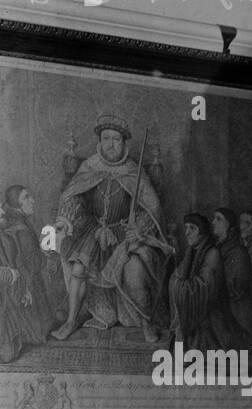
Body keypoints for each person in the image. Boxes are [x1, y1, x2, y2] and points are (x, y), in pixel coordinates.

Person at [50, 115, 170, 343]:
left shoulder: (133, 171)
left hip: (126, 234)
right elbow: (75, 199)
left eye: (116, 139)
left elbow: (151, 209)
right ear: (100, 141)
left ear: (125, 143)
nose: (111, 144)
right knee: (78, 267)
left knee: (135, 271)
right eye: (106, 138)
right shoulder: (89, 167)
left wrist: (136, 229)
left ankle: (146, 323)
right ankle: (70, 320)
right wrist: (67, 219)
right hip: (92, 231)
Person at [168, 212, 240, 351]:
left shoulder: (212, 253)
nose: (187, 233)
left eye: (192, 228)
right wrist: (177, 283)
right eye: (186, 228)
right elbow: (176, 276)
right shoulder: (191, 252)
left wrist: (178, 286)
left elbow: (203, 287)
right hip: (197, 316)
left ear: (202, 231)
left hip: (210, 319)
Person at [1, 184, 59, 339]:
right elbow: (33, 263)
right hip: (26, 282)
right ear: (16, 203)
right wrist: (47, 250)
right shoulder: (22, 230)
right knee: (41, 331)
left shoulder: (13, 221)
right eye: (26, 197)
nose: (32, 201)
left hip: (21, 278)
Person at [212, 207, 252, 347]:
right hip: (224, 307)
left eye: (218, 219)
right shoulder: (219, 249)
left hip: (238, 315)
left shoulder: (238, 252)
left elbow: (237, 289)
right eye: (213, 218)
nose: (213, 222)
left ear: (229, 225)